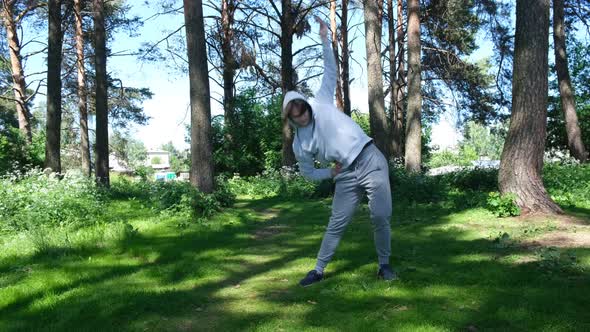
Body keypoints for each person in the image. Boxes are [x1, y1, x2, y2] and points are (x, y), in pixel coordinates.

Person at [282, 17, 396, 287]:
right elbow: (308, 172)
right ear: (289, 118)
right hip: (345, 174)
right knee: (337, 223)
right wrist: (329, 172)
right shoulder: (300, 144)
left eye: (303, 114)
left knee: (380, 215)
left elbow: (330, 69)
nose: (302, 120)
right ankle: (318, 270)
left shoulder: (319, 102)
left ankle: (384, 265)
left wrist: (324, 38)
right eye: (296, 118)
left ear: (306, 106)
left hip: (370, 160)